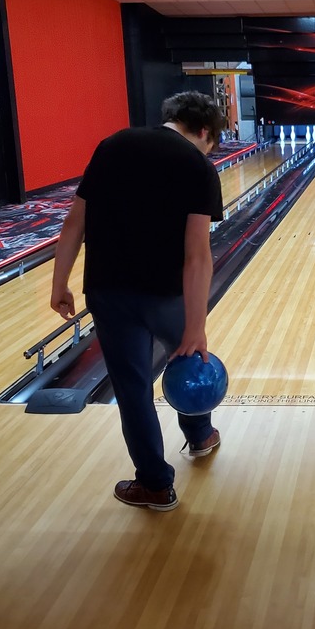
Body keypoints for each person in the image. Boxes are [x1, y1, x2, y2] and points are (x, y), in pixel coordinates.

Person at [50, 91, 225, 511]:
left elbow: (75, 221)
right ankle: (200, 436)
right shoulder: (196, 165)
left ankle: (154, 484)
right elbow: (198, 255)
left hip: (109, 293)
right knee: (190, 362)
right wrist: (196, 326)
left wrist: (59, 284)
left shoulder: (113, 145)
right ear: (204, 131)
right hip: (166, 295)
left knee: (132, 391)